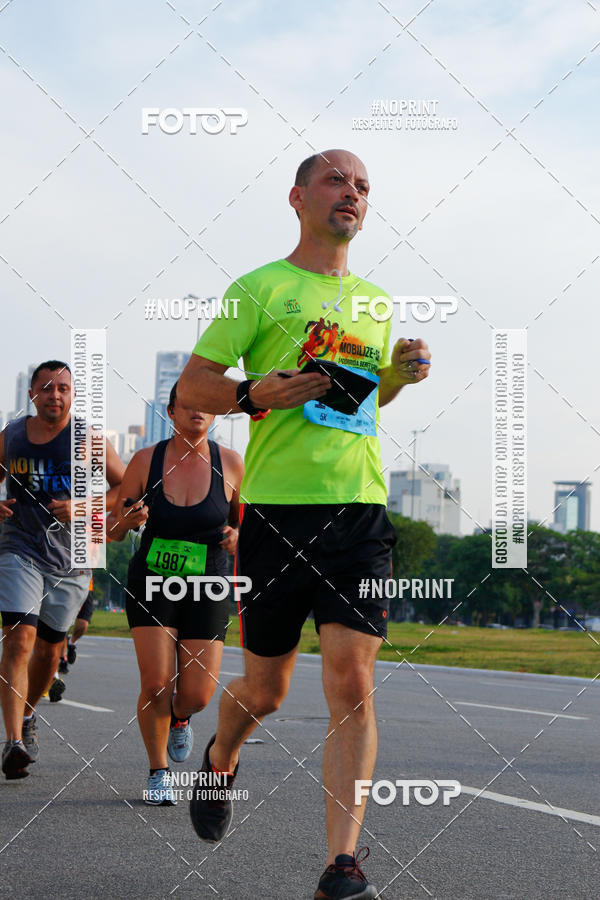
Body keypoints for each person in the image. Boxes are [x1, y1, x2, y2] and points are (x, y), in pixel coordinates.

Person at [178, 149, 432, 899]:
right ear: (297, 197)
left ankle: (341, 864)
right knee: (267, 690)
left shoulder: (378, 301)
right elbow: (194, 384)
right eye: (336, 181)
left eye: (362, 186)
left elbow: (362, 405)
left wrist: (397, 376)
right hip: (277, 516)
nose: (352, 193)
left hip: (358, 510)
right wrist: (257, 392)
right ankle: (221, 756)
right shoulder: (257, 289)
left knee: (352, 680)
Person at [107, 381, 243, 806]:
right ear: (171, 411)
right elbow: (112, 529)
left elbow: (253, 528)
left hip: (209, 582)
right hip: (153, 580)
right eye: (188, 405)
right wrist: (129, 521)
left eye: (207, 405)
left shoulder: (233, 464)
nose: (198, 412)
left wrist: (239, 537)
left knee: (198, 694)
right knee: (155, 683)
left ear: (216, 414)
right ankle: (157, 771)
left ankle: (181, 717)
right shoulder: (146, 460)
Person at [0, 361, 124, 778]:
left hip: (72, 558)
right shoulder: (13, 435)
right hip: (20, 546)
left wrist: (82, 507)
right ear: (32, 394)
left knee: (51, 651)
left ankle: (29, 714)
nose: (55, 394)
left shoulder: (89, 438)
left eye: (64, 388)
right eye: (47, 387)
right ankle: (13, 741)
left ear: (73, 395)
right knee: (19, 639)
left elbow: (126, 487)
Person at [58, 578, 95, 675]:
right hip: (66, 585)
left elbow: (97, 563)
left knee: (83, 624)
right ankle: (63, 660)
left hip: (86, 587)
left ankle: (72, 642)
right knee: (64, 624)